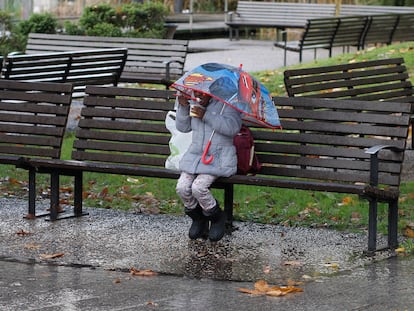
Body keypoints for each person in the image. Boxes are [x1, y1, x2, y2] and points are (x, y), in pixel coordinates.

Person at [175, 90, 242, 242]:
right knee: (182, 187)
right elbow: (183, 127)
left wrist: (206, 115)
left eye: (203, 94)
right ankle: (198, 218)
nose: (199, 97)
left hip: (218, 158)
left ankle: (217, 217)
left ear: (212, 92)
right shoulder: (194, 103)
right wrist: (183, 107)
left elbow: (232, 128)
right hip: (196, 156)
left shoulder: (228, 105)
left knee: (198, 188)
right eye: (195, 93)